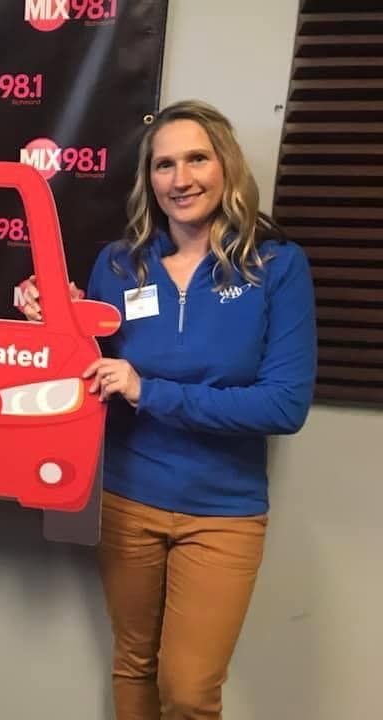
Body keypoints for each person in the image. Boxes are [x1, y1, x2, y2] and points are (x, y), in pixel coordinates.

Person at [20, 100, 316, 719]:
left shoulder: (277, 265)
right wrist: (56, 323)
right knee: (134, 664)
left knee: (188, 690)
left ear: (226, 165)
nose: (180, 179)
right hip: (127, 497)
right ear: (148, 179)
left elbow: (283, 405)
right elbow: (90, 372)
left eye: (197, 159)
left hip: (223, 512)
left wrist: (149, 390)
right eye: (164, 165)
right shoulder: (119, 263)